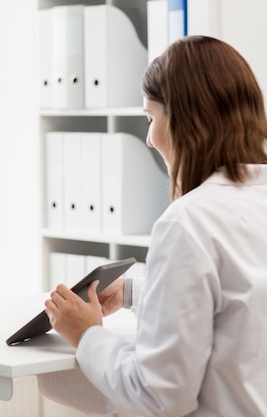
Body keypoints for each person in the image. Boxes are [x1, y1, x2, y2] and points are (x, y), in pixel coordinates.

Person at [44, 35, 267, 416]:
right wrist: (134, 293)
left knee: (50, 383)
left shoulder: (189, 221)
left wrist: (86, 335)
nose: (148, 138)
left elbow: (161, 395)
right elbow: (241, 304)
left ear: (184, 119)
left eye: (150, 118)